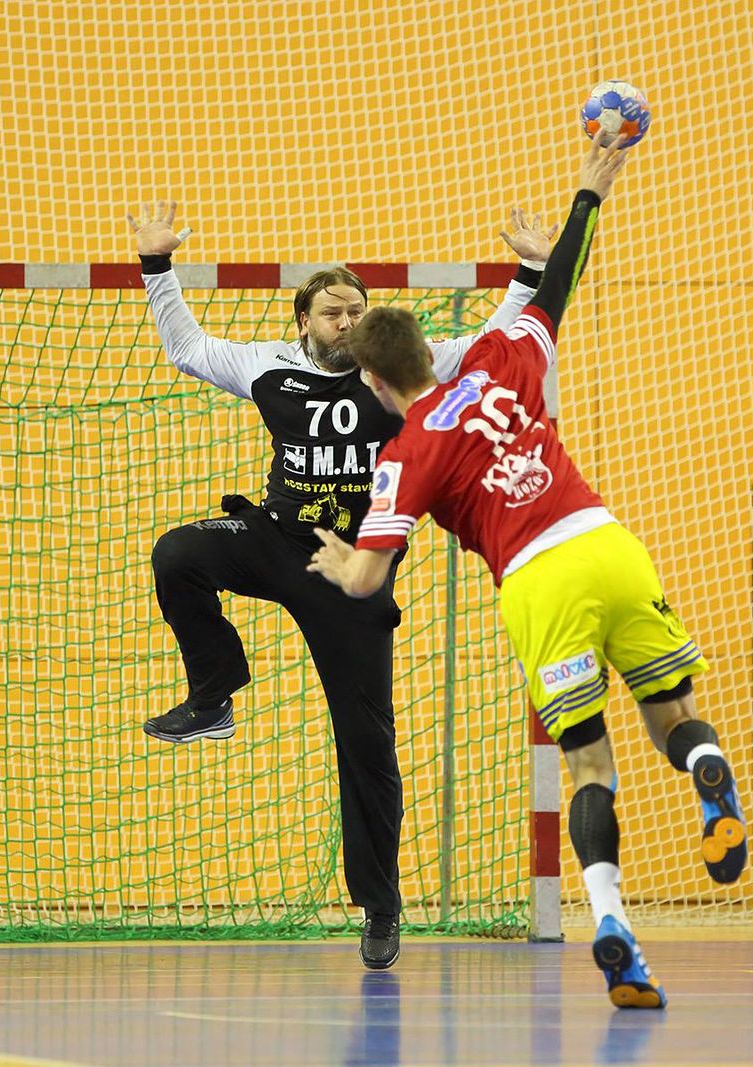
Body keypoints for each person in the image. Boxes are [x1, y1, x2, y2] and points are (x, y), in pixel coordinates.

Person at [306, 134, 748, 1008]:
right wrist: (590, 187)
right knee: (672, 716)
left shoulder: (407, 451)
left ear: (376, 378)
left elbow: (366, 581)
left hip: (539, 581)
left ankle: (615, 926)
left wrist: (335, 559)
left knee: (590, 765)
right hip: (607, 542)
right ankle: (707, 765)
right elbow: (555, 286)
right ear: (430, 350)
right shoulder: (500, 356)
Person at [126, 200, 557, 970]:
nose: (347, 322)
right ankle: (214, 695)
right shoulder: (267, 366)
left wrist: (529, 271)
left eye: (357, 311)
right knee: (177, 554)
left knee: (367, 742)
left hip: (353, 570)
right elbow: (187, 348)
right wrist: (157, 264)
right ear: (304, 321)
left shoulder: (396, 366)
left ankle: (381, 906)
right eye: (333, 312)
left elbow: (489, 347)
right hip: (276, 540)